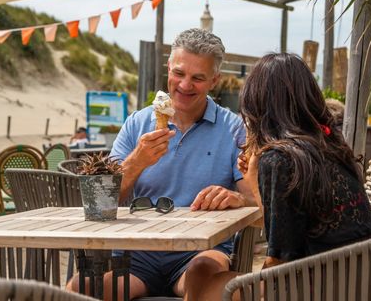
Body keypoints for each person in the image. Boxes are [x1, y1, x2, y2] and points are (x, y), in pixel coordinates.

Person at [68, 28, 256, 301]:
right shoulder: (136, 123)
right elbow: (99, 203)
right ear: (168, 68)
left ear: (214, 80)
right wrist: (136, 162)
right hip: (136, 253)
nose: (185, 85)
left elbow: (255, 203)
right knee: (78, 290)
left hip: (200, 253)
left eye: (198, 78)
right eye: (179, 73)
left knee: (238, 289)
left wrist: (236, 197)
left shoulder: (234, 128)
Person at [200, 53, 371, 300]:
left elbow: (279, 256)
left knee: (206, 287)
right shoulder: (330, 145)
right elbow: (293, 225)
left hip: (316, 286)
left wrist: (254, 178)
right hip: (363, 280)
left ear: (259, 104)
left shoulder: (279, 159)